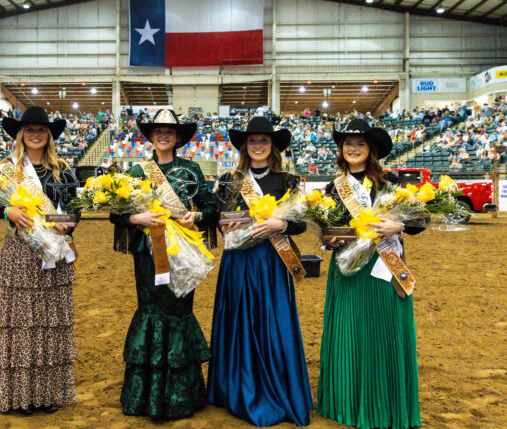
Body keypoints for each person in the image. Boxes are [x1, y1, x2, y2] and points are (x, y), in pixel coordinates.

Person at [109, 109, 218, 420]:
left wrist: (195, 216)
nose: (163, 135)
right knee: (151, 310)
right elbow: (115, 213)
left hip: (182, 252)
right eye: (158, 130)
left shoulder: (192, 169)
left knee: (179, 311)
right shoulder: (136, 172)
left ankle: (178, 396)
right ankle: (148, 397)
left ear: (178, 137)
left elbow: (211, 210)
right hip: (148, 253)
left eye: (169, 131)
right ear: (151, 135)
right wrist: (136, 218)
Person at [318, 118, 425, 429]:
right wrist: (330, 238)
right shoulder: (332, 187)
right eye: (348, 143)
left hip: (381, 269)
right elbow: (327, 232)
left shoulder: (389, 184)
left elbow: (421, 220)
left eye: (360, 143)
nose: (353, 148)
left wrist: (399, 225)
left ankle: (382, 402)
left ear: (371, 150)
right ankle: (348, 401)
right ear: (341, 149)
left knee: (381, 333)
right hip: (348, 271)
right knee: (350, 335)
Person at [209, 116, 313, 427]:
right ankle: (236, 389)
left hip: (271, 261)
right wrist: (224, 222)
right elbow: (220, 219)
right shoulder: (230, 179)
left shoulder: (288, 181)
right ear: (245, 145)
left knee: (274, 323)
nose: (257, 145)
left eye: (263, 141)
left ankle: (277, 387)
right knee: (239, 321)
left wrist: (281, 224)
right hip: (239, 262)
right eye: (252, 141)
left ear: (272, 146)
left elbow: (300, 223)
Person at [0, 106, 80, 415]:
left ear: (48, 135)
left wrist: (68, 222)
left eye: (41, 129)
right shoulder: (7, 168)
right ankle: (20, 396)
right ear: (21, 134)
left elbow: (74, 209)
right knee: (23, 325)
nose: (35, 134)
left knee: (49, 325)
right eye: (30, 129)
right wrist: (6, 211)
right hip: (21, 253)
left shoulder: (62, 169)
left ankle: (46, 394)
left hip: (54, 251)